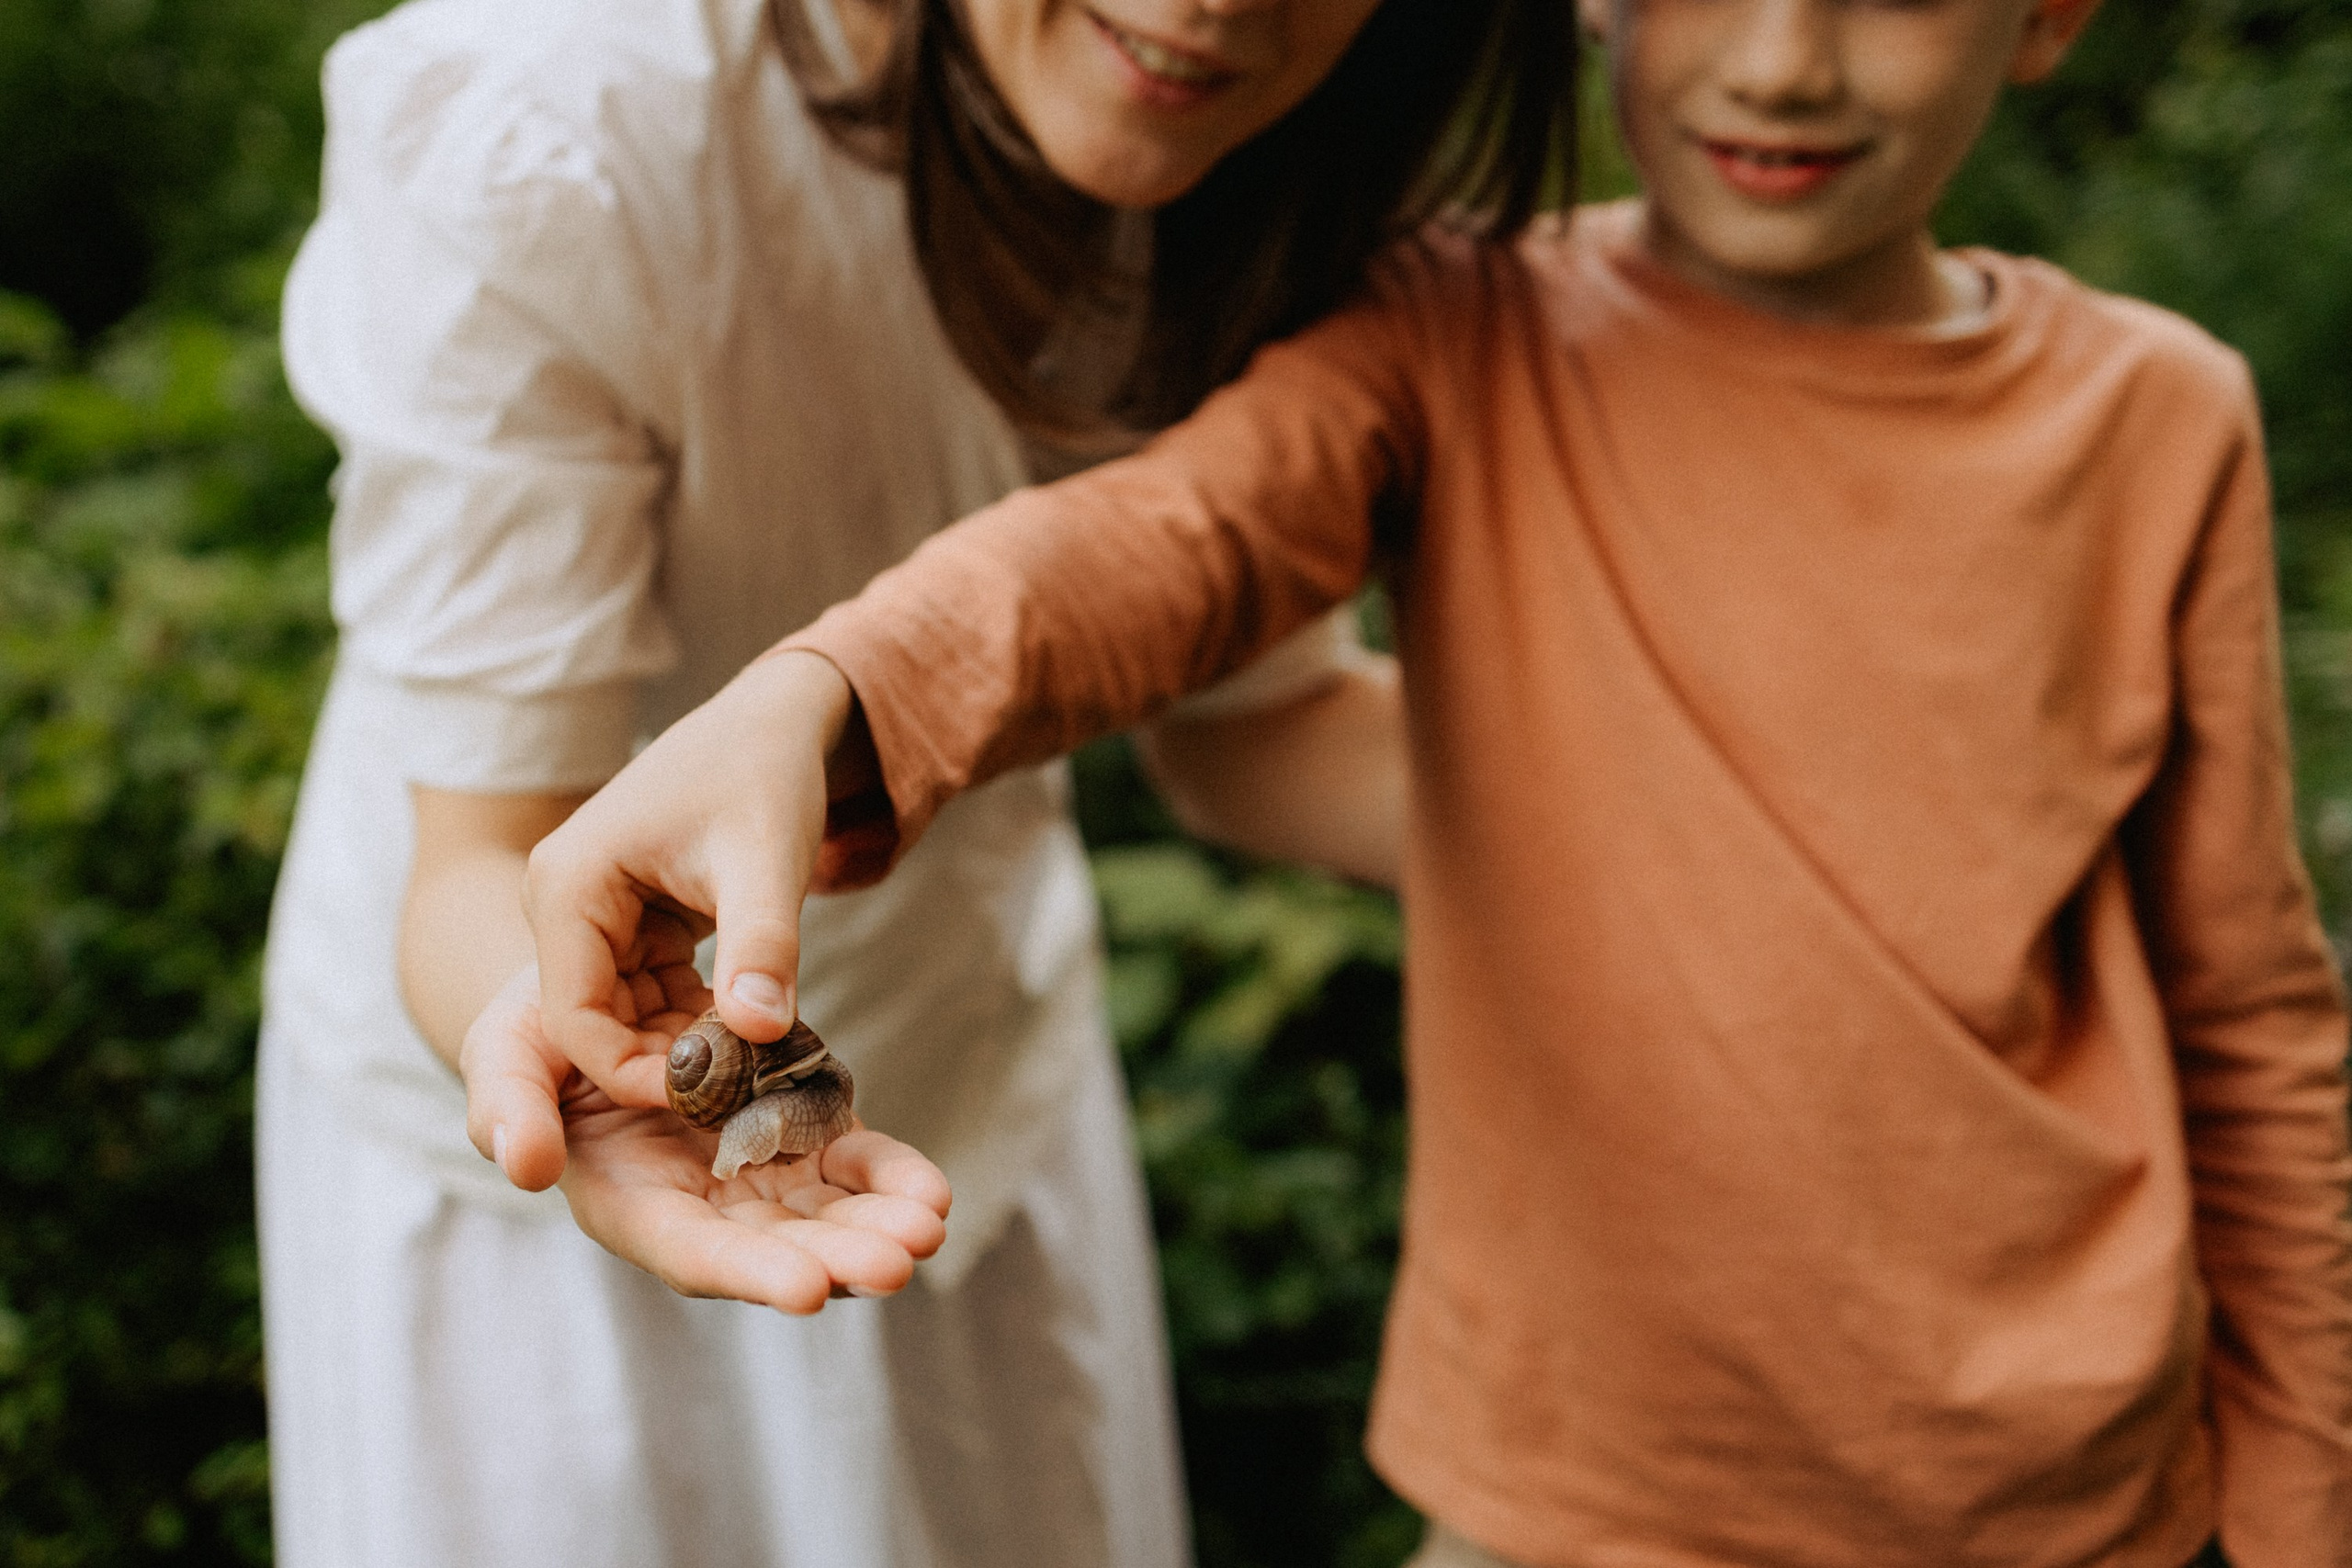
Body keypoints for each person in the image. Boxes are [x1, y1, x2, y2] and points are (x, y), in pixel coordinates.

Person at [504, 0, 2352, 1562]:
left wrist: (2301, 1511)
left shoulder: (2156, 418)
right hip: (1568, 1501)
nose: (1784, 62)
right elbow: (1155, 546)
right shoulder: (1454, 335)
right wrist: (830, 695)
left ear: (2049, 17)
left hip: (2074, 1500)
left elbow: (2249, 1020)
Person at [257, 0, 1572, 1562]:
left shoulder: (1269, 155)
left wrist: (1716, 820)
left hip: (969, 1094)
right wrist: (574, 1045)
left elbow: (1252, 728)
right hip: (543, 1201)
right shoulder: (558, 127)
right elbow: (489, 851)